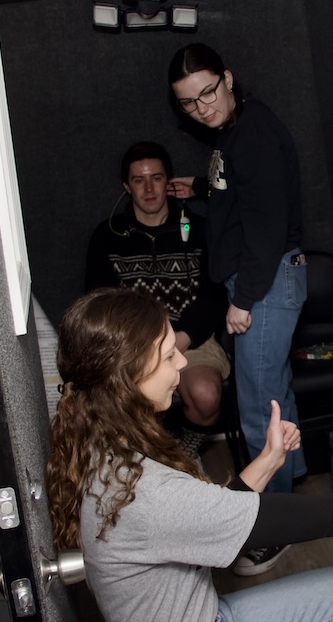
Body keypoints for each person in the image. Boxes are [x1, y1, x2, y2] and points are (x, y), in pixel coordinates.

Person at [46, 287, 333, 622]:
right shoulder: (149, 493)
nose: (183, 364)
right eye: (168, 357)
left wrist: (268, 460)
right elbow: (329, 514)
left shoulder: (99, 443)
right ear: (125, 378)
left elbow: (200, 521)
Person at [165, 43, 307, 573]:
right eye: (189, 104)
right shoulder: (235, 132)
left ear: (227, 79)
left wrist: (243, 301)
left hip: (263, 284)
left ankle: (276, 523)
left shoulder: (253, 136)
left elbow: (267, 228)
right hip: (263, 280)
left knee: (257, 409)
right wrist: (200, 186)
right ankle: (295, 502)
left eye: (208, 93)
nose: (203, 108)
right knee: (276, 400)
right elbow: (245, 194)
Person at [85, 141, 229, 457]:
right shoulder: (107, 237)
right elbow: (99, 304)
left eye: (157, 178)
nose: (149, 188)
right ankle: (147, 464)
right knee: (122, 402)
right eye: (139, 180)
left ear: (170, 182)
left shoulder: (203, 230)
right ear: (127, 186)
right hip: (132, 345)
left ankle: (184, 455)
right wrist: (142, 348)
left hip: (190, 339)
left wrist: (178, 339)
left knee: (205, 395)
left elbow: (216, 295)